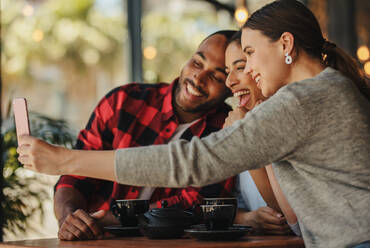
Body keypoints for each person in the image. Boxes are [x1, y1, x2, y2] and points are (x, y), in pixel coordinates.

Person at [17, 1, 370, 247]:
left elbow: (194, 163)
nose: (244, 71)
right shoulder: (323, 92)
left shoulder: (301, 100)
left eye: (247, 55)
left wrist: (64, 160)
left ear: (286, 45)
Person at [49, 30, 237, 241]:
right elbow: (75, 175)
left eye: (216, 76)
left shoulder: (227, 130)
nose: (199, 78)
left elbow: (198, 205)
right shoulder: (122, 102)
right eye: (197, 63)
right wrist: (69, 218)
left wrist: (107, 220)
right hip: (95, 242)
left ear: (231, 87)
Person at [224, 31, 300, 236]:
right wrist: (248, 219)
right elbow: (235, 203)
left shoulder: (291, 118)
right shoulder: (238, 120)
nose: (229, 81)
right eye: (227, 71)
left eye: (240, 67)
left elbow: (287, 216)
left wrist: (246, 139)